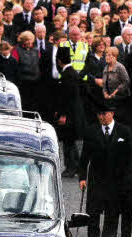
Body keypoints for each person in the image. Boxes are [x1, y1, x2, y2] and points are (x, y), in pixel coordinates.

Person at [79, 102, 132, 237]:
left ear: (112, 113)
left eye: (104, 114)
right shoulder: (91, 131)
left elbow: (131, 160)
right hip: (97, 179)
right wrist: (82, 177)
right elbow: (84, 157)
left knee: (113, 212)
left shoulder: (124, 132)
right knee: (93, 212)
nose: (102, 117)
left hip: (117, 181)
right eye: (99, 114)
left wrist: (129, 180)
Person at [54, 46, 85, 178]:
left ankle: (70, 167)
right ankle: (76, 166)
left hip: (69, 115)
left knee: (68, 141)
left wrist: (63, 115)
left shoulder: (67, 75)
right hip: (75, 113)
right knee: (71, 141)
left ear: (60, 61)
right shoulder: (73, 73)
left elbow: (67, 98)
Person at [11, 30, 40, 111]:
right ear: (23, 41)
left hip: (34, 81)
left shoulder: (36, 50)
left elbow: (39, 63)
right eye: (27, 40)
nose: (29, 42)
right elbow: (14, 65)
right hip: (23, 81)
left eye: (30, 39)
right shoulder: (16, 50)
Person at [102, 46, 131, 127]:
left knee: (121, 121)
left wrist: (116, 91)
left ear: (114, 56)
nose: (106, 57)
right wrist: (104, 92)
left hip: (120, 99)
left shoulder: (119, 67)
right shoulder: (106, 67)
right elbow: (104, 83)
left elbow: (126, 81)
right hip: (109, 100)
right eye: (106, 55)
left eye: (109, 55)